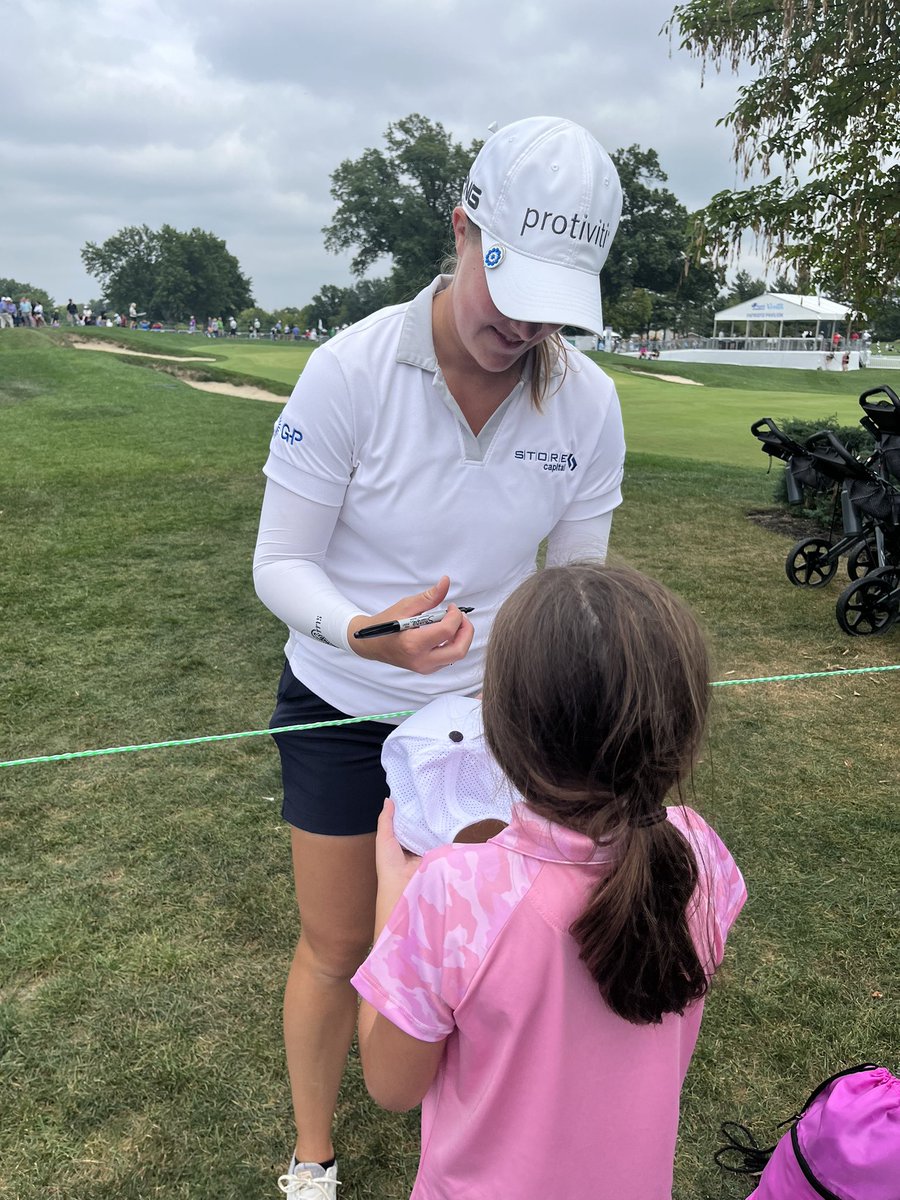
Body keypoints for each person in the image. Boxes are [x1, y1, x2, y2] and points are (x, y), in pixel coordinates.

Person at [255, 115, 627, 1199]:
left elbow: (576, 588)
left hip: (487, 718)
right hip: (339, 697)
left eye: (555, 303)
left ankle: (459, 1151)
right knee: (336, 947)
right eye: (509, 286)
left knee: (474, 950)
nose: (525, 326)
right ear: (462, 230)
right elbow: (281, 563)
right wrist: (363, 631)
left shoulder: (590, 403)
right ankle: (313, 1153)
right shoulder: (351, 369)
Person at [353, 563, 747, 1199]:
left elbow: (390, 1086)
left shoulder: (453, 890)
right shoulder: (699, 850)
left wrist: (391, 905)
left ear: (503, 735)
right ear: (685, 733)